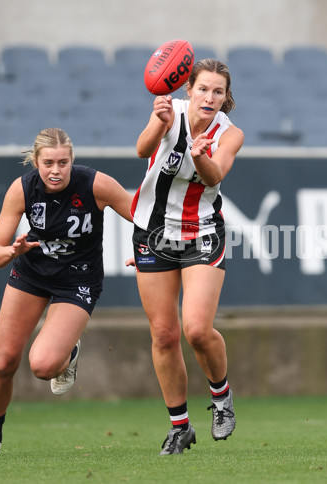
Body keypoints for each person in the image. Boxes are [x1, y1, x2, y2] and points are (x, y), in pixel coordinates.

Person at [0, 127, 133, 456]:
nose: (56, 170)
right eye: (48, 163)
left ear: (72, 160)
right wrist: (12, 252)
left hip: (78, 279)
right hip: (31, 274)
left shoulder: (95, 184)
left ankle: (67, 351)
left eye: (63, 162)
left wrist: (145, 250)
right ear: (35, 161)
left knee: (44, 367)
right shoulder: (22, 190)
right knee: (3, 362)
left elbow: (141, 216)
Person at [129, 58, 244, 455]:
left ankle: (222, 395)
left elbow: (215, 176)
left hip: (202, 234)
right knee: (163, 334)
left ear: (226, 98)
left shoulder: (230, 134)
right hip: (152, 231)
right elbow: (141, 149)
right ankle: (180, 427)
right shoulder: (168, 112)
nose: (210, 97)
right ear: (187, 90)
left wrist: (200, 156)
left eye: (218, 91)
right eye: (203, 89)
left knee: (196, 329)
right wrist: (158, 122)